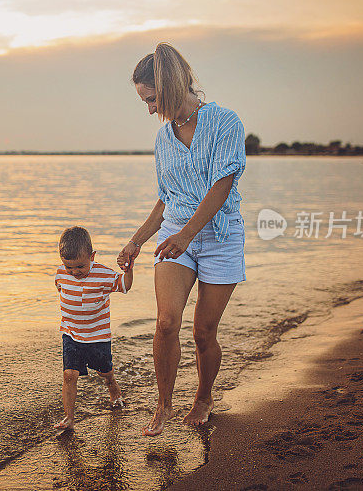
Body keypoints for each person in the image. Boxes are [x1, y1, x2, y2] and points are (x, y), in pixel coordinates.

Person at [117, 43, 246, 437]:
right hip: (176, 236)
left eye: (152, 99)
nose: (151, 110)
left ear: (171, 86)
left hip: (219, 237)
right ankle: (164, 403)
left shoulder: (225, 122)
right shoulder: (163, 140)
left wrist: (188, 235)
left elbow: (223, 184)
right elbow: (167, 197)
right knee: (166, 322)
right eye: (145, 102)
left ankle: (203, 397)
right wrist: (137, 240)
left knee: (203, 332)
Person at [55, 226, 133, 431]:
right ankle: (69, 418)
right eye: (69, 267)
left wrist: (128, 269)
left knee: (104, 372)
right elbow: (61, 288)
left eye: (80, 267)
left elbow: (125, 286)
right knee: (69, 375)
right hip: (71, 334)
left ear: (92, 256)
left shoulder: (104, 275)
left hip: (97, 336)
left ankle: (113, 387)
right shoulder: (61, 273)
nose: (74, 272)